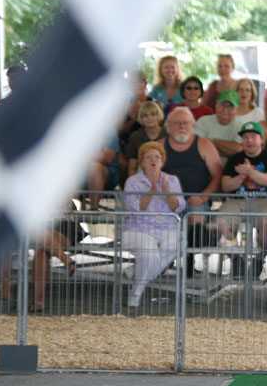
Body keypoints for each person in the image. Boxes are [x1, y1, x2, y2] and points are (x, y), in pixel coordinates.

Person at [122, 141, 186, 307]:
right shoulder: (133, 181)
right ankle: (135, 294)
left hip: (168, 227)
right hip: (139, 227)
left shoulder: (171, 180)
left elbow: (179, 206)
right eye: (148, 157)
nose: (153, 160)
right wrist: (152, 189)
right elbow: (134, 207)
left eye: (157, 157)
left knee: (177, 244)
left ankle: (135, 271)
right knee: (150, 254)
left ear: (162, 161)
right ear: (142, 161)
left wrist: (165, 190)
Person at [219, 121, 267, 250]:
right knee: (220, 222)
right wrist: (241, 176)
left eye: (253, 137)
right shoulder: (234, 159)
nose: (249, 140)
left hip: (264, 201)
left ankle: (261, 253)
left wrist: (249, 172)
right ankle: (234, 250)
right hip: (237, 201)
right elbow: (225, 186)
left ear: (261, 140)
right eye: (246, 137)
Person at [160, 106, 223, 214]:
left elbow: (218, 175)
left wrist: (203, 197)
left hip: (197, 201)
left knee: (196, 221)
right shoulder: (159, 146)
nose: (181, 126)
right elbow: (147, 175)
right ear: (168, 126)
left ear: (192, 125)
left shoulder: (205, 144)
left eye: (186, 123)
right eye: (176, 123)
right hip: (165, 200)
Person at [193, 89, 243, 165]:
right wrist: (229, 151)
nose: (225, 109)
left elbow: (238, 150)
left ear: (237, 109)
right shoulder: (203, 121)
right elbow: (197, 148)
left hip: (231, 171)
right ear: (216, 104)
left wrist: (211, 140)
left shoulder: (241, 126)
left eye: (231, 107)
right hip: (204, 169)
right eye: (222, 104)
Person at [125, 100, 167, 176]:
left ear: (159, 115)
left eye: (153, 114)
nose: (149, 118)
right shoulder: (135, 136)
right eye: (145, 115)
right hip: (143, 174)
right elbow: (132, 167)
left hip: (166, 174)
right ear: (140, 118)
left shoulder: (168, 134)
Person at [86, 131, 121, 210]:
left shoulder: (108, 129)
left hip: (107, 174)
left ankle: (93, 209)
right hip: (80, 173)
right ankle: (69, 210)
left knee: (94, 167)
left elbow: (106, 158)